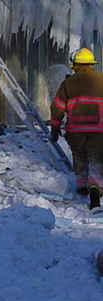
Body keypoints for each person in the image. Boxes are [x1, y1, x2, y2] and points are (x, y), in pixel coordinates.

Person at [50, 47, 103, 209]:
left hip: (76, 130)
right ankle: (95, 186)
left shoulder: (68, 83)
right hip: (98, 128)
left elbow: (58, 106)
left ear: (74, 65)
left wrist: (55, 126)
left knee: (79, 155)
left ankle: (81, 185)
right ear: (92, 64)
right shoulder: (101, 79)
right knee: (96, 157)